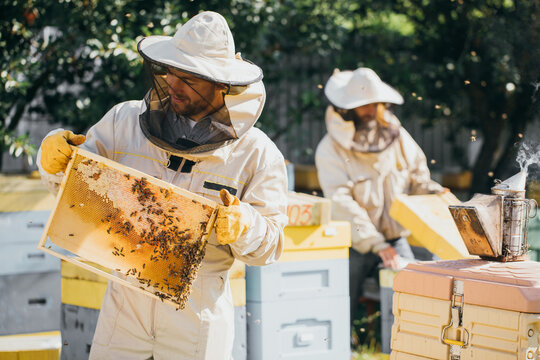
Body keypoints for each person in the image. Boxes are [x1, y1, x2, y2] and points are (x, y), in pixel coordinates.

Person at [38, 11, 288, 359]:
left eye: (188, 77)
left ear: (222, 84)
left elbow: (271, 246)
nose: (173, 82)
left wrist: (247, 225)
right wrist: (52, 160)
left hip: (197, 317)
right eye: (170, 70)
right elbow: (74, 189)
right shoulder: (123, 122)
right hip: (124, 307)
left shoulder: (256, 153)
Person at [314, 67, 444, 324]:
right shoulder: (329, 149)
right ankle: (343, 347)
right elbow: (341, 201)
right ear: (345, 109)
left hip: (395, 237)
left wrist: (434, 193)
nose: (372, 111)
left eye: (375, 104)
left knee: (410, 297)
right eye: (364, 105)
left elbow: (417, 174)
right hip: (355, 242)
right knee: (342, 301)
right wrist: (375, 243)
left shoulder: (396, 135)